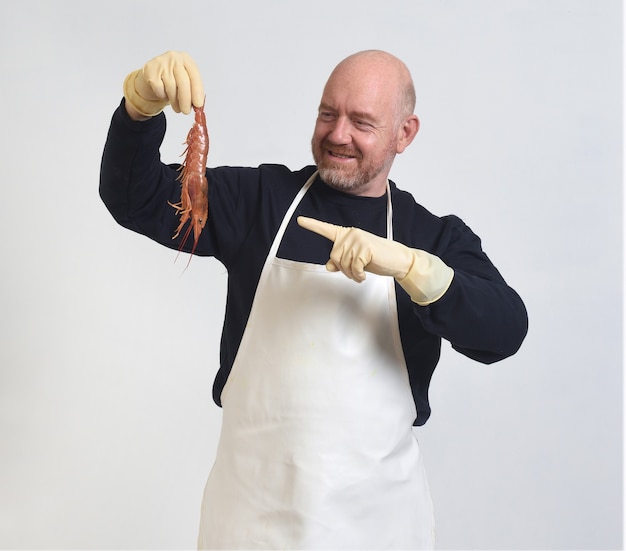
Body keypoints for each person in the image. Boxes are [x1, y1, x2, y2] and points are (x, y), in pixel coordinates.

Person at [100, 50, 528, 550]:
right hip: (249, 522)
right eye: (329, 113)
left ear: (404, 134)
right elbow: (136, 199)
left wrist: (416, 270)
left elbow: (504, 331)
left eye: (362, 122)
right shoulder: (260, 200)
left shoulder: (431, 238)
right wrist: (138, 110)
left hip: (377, 527)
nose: (338, 134)